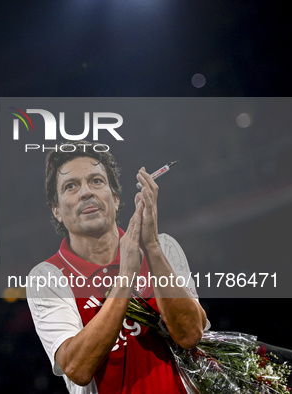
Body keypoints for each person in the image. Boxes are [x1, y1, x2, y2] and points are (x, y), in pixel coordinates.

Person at [26, 141, 209, 394]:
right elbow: (77, 368)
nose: (86, 192)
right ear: (57, 210)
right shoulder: (47, 278)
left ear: (115, 197)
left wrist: (152, 247)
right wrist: (126, 276)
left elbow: (190, 335)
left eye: (96, 181)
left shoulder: (163, 248)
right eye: (71, 186)